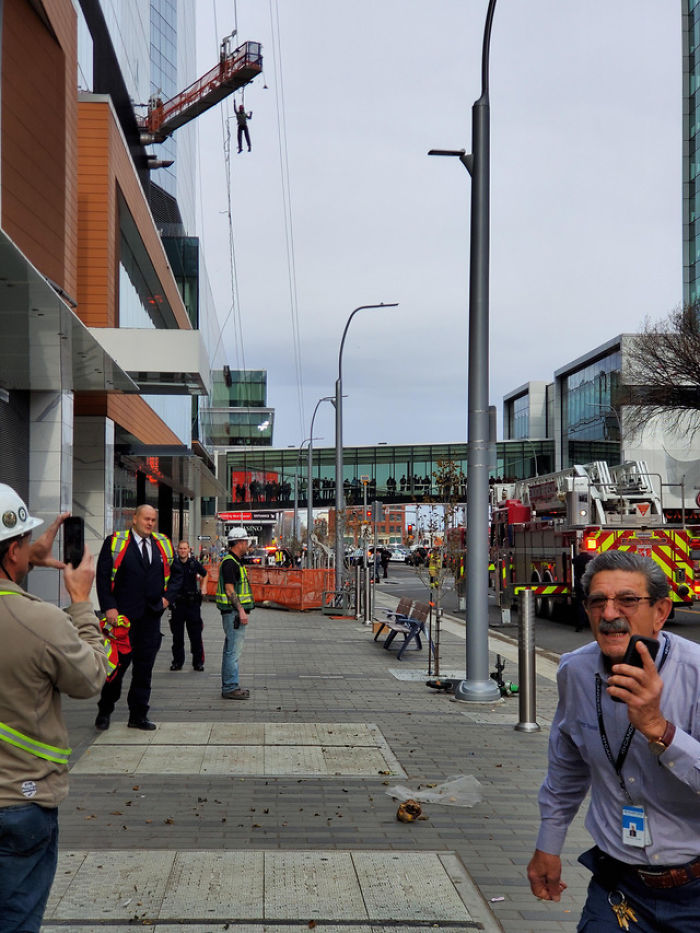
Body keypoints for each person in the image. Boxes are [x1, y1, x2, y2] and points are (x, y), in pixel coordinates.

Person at [527, 550, 700, 931]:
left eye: (627, 600)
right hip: (619, 888)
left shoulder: (696, 674)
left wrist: (660, 729)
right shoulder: (575, 670)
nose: (609, 614)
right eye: (597, 602)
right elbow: (566, 766)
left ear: (660, 612)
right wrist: (547, 845)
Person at [0, 485, 109, 932]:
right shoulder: (41, 620)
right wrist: (82, 604)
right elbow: (91, 677)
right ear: (12, 551)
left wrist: (25, 561)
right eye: (26, 542)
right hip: (19, 803)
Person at [94, 505, 179, 731]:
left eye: (153, 519)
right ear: (134, 519)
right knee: (117, 668)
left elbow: (177, 575)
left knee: (144, 669)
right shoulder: (115, 543)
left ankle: (138, 715)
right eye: (146, 519)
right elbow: (102, 578)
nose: (150, 523)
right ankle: (105, 710)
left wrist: (167, 599)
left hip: (150, 618)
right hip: (122, 620)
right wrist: (109, 608)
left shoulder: (163, 545)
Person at [216, 527, 255, 699]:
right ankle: (230, 687)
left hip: (232, 614)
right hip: (233, 614)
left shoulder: (233, 561)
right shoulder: (230, 563)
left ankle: (229, 685)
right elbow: (230, 589)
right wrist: (241, 611)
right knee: (233, 651)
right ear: (238, 542)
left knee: (230, 650)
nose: (247, 545)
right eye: (245, 541)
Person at [168, 540, 207, 672]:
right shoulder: (173, 564)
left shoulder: (193, 563)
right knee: (177, 636)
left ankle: (198, 663)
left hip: (192, 604)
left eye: (185, 549)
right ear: (177, 550)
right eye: (181, 549)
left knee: (195, 635)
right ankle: (177, 662)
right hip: (178, 604)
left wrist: (203, 587)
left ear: (189, 550)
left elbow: (205, 575)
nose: (183, 551)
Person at [572, 539, 593, 632]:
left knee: (580, 604)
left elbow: (573, 562)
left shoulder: (576, 559)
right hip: (589, 583)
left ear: (580, 549)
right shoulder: (591, 559)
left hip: (579, 584)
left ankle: (580, 624)